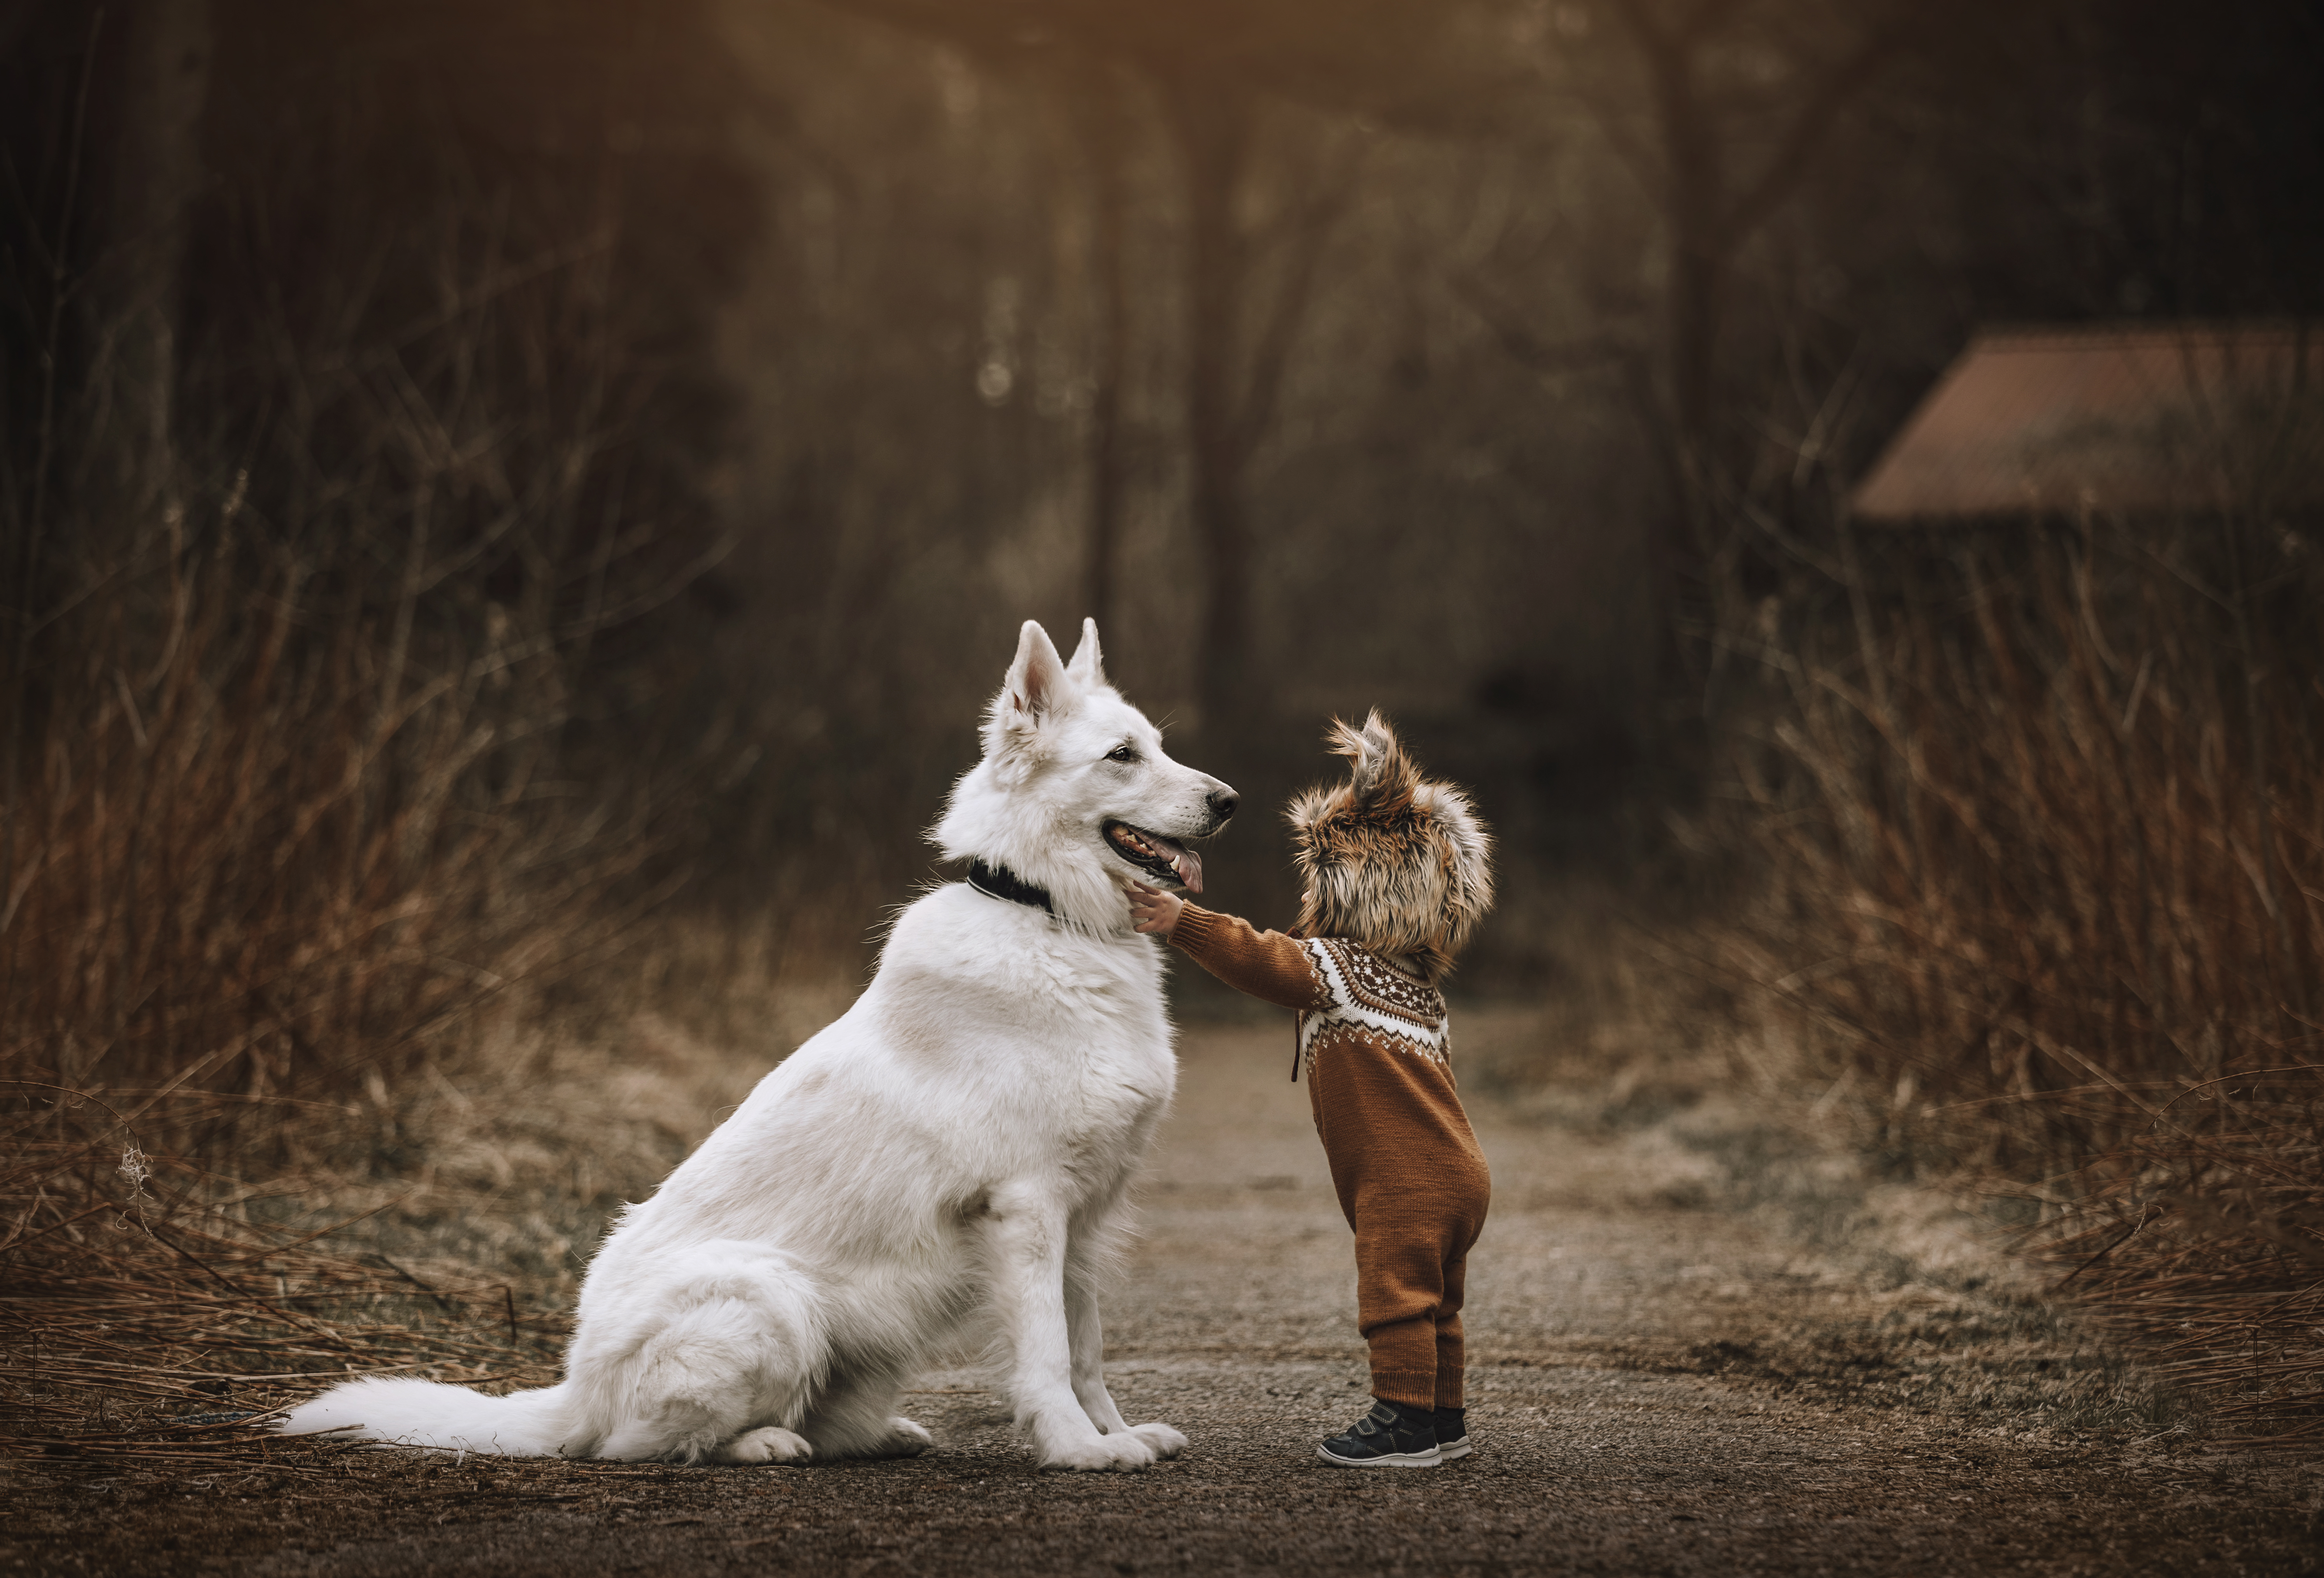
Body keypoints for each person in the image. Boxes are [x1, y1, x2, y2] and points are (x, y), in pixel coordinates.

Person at [1127, 711, 1494, 1468]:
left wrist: (1182, 922)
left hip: (1404, 1179)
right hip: (1459, 1174)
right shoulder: (1418, 992)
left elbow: (1264, 958)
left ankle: (1402, 1421)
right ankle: (1443, 1420)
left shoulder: (1338, 969)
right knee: (1439, 1303)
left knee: (1395, 1297)